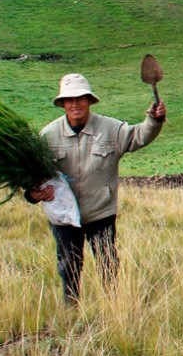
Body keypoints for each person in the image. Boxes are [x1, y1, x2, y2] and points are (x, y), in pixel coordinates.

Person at [27, 73, 166, 304]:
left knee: (108, 264)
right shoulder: (48, 136)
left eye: (80, 98)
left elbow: (138, 136)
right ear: (62, 104)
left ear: (89, 100)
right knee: (68, 266)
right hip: (64, 216)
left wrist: (154, 120)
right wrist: (32, 194)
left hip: (101, 212)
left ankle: (113, 308)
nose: (75, 104)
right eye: (69, 99)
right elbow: (30, 174)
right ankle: (71, 309)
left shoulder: (110, 129)